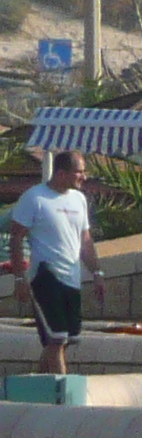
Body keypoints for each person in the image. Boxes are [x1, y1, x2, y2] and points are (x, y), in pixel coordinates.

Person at [6, 153, 101, 377]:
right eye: (79, 172)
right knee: (56, 338)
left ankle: (40, 379)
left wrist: (97, 272)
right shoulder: (35, 198)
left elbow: (85, 240)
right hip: (45, 275)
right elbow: (16, 237)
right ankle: (63, 394)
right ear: (61, 173)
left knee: (69, 338)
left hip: (72, 277)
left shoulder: (78, 199)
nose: (83, 177)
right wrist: (20, 278)